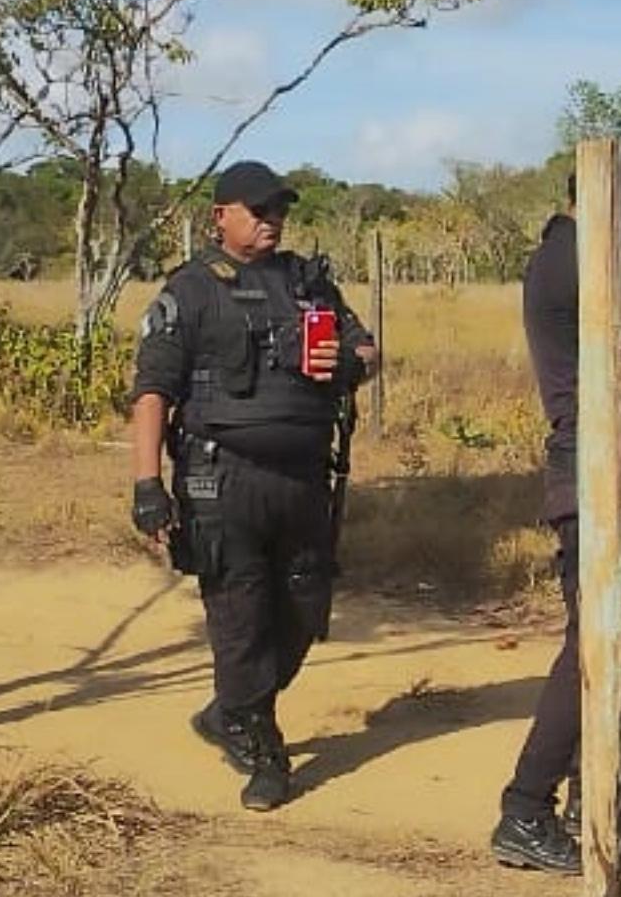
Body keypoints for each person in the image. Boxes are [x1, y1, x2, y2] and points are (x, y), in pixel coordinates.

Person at [129, 160, 378, 811]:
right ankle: (267, 752)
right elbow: (152, 390)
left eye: (280, 211)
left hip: (304, 478)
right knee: (240, 618)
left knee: (303, 612)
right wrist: (147, 485)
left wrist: (347, 361)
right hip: (222, 478)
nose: (273, 221)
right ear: (221, 216)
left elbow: (369, 350)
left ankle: (229, 711)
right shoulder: (190, 289)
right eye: (259, 210)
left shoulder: (308, 282)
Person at [491, 169, 621, 877]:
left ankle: (595, 796)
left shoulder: (580, 253)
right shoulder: (579, 257)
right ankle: (526, 810)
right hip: (593, 466)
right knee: (591, 645)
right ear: (604, 198)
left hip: (612, 459)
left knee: (613, 639)